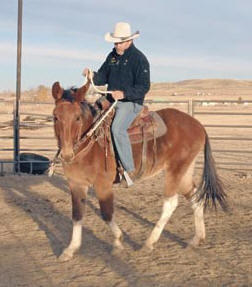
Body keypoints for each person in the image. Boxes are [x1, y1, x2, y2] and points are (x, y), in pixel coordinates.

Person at [83, 22, 150, 184]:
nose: (116, 45)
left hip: (130, 102)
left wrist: (124, 93)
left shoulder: (139, 59)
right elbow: (102, 78)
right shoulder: (112, 56)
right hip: (111, 99)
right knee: (89, 116)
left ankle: (129, 169)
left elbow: (144, 87)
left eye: (119, 42)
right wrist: (91, 74)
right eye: (115, 42)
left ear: (129, 41)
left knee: (117, 129)